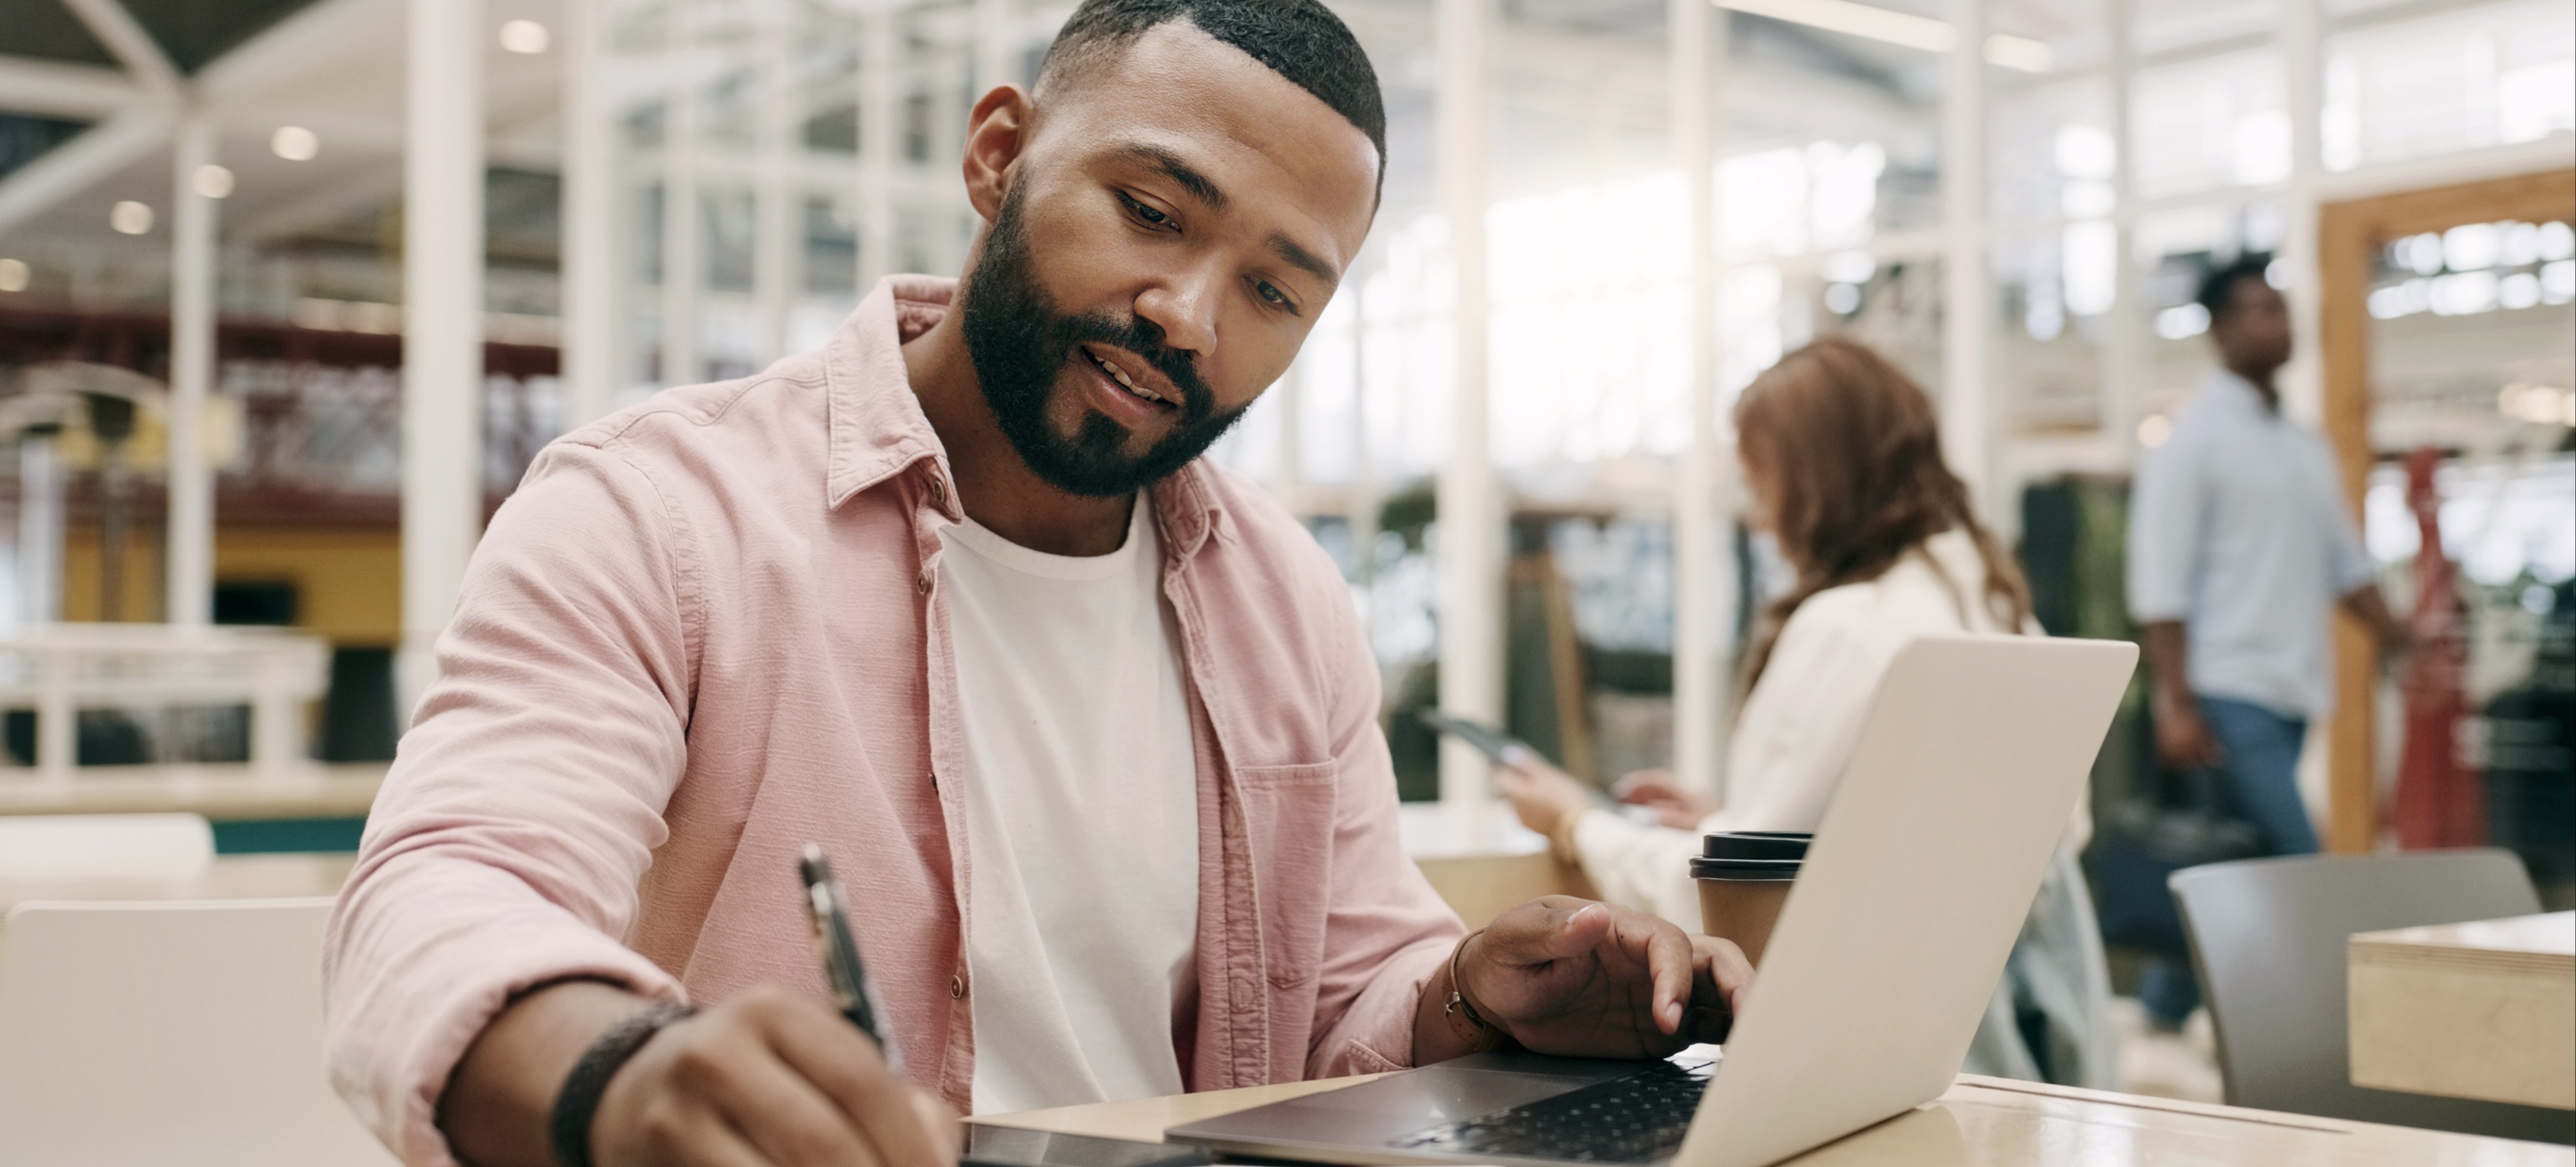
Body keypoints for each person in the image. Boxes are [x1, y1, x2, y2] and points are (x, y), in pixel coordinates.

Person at [324, 2, 1754, 1165]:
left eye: (1273, 291)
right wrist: (621, 1080)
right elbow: (451, 889)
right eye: (1150, 210)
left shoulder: (1286, 606)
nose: (1187, 314)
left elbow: (1341, 1001)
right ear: (999, 154)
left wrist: (1467, 997)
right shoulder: (658, 509)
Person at [1495, 336, 2117, 1087]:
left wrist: (1574, 820)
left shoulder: (1846, 628)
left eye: (1763, 487)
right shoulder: (1988, 602)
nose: (1759, 520)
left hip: (1861, 1059)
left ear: (1815, 480)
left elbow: (1743, 911)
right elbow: (2001, 838)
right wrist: (1729, 815)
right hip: (2004, 1046)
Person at [2123, 257, 2408, 1029]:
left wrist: (2398, 635)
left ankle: (2158, 1009)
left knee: (2229, 860)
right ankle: (2323, 1029)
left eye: (2281, 309)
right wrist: (2174, 703)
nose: (2278, 324)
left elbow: (2343, 565)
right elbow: (2160, 585)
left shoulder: (2300, 446)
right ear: (2218, 330)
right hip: (2225, 689)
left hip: (2291, 689)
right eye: (2258, 312)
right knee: (2294, 860)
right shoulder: (2192, 442)